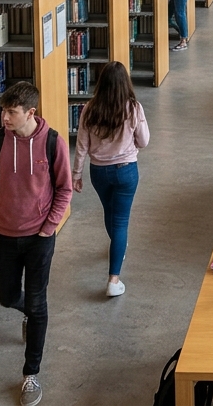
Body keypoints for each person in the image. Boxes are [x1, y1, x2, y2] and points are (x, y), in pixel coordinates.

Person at [0, 82, 72, 406]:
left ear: (31, 113)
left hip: (39, 239)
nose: (4, 117)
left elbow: (65, 188)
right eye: (3, 111)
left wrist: (49, 227)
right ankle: (27, 314)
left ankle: (31, 373)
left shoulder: (53, 142)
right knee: (7, 296)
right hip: (4, 234)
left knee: (38, 302)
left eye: (11, 112)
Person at [73, 62, 148, 297]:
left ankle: (118, 246)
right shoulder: (133, 108)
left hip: (99, 172)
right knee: (121, 221)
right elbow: (144, 141)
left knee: (109, 211)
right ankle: (113, 280)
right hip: (126, 170)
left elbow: (82, 145)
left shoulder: (90, 109)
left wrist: (76, 174)